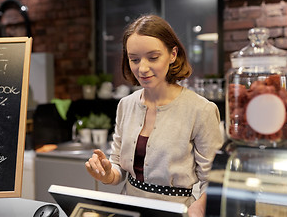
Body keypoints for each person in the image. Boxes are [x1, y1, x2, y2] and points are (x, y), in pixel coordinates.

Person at [85, 14, 223, 217]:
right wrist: (106, 174)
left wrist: (201, 206)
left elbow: (214, 179)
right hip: (128, 210)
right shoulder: (126, 105)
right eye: (134, 59)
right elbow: (118, 168)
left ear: (173, 54)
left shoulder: (201, 110)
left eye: (153, 57)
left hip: (176, 212)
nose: (142, 68)